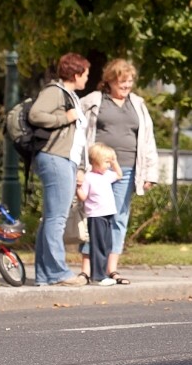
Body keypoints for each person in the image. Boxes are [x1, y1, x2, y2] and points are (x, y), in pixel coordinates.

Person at [79, 59, 159, 283]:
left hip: (126, 169)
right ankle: (87, 268)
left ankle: (110, 269)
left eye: (130, 81)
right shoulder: (94, 101)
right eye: (122, 81)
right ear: (110, 81)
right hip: (97, 170)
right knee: (93, 217)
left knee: (118, 219)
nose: (126, 86)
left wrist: (150, 174)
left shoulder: (138, 103)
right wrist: (79, 167)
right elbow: (78, 130)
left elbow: (147, 139)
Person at [29, 52, 91, 287]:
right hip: (55, 158)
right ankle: (58, 273)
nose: (87, 78)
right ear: (75, 74)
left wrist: (79, 167)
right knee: (57, 218)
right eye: (85, 74)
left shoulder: (70, 95)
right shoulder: (54, 91)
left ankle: (45, 274)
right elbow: (36, 115)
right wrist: (65, 117)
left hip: (66, 161)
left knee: (51, 219)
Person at [77, 144, 123, 285]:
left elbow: (119, 175)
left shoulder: (106, 175)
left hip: (108, 215)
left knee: (107, 246)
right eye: (106, 162)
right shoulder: (89, 177)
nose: (109, 166)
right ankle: (98, 276)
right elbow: (83, 197)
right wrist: (78, 186)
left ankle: (102, 274)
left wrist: (114, 161)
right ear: (95, 162)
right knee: (98, 247)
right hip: (96, 216)